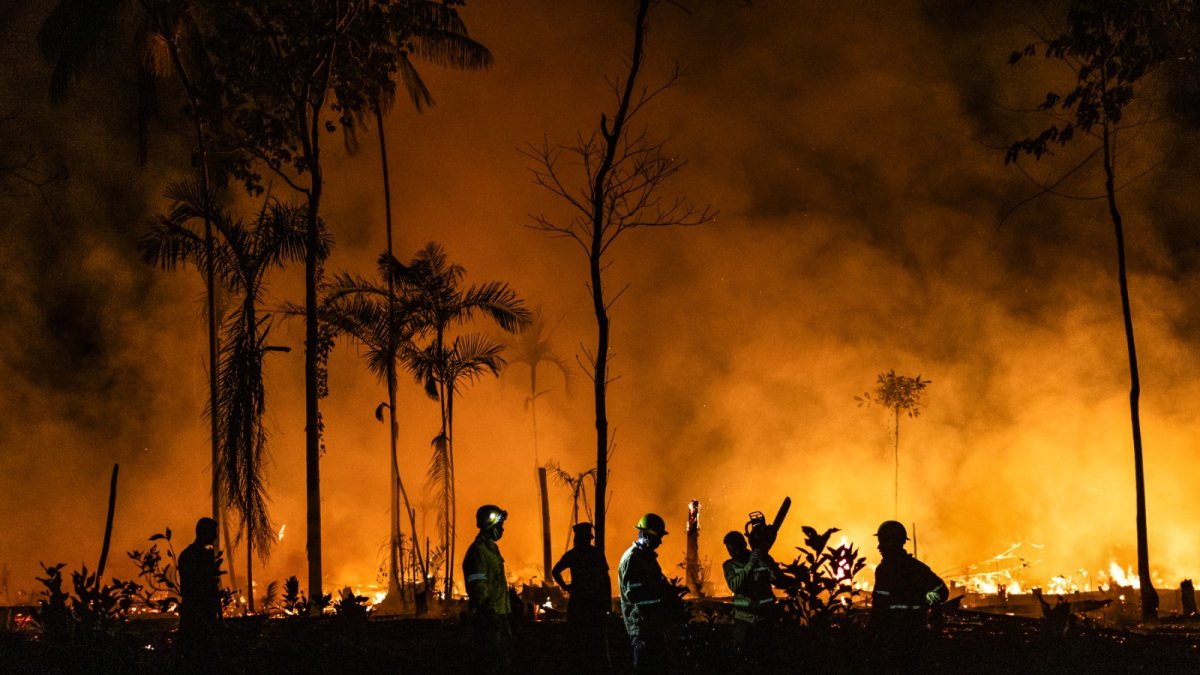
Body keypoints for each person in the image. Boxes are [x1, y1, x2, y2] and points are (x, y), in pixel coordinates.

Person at [869, 520, 948, 675]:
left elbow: (879, 608)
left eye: (882, 542)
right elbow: (942, 592)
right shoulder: (916, 568)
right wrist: (925, 601)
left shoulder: (886, 570)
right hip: (913, 637)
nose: (879, 547)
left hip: (896, 639)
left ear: (892, 542)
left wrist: (870, 635)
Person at [618, 513, 674, 674]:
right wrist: (662, 595)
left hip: (652, 625)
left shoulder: (646, 557)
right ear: (647, 535)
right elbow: (634, 595)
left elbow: (659, 581)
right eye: (658, 538)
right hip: (641, 627)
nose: (660, 542)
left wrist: (671, 590)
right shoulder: (632, 558)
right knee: (644, 669)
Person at [552, 521, 611, 673]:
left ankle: (581, 667)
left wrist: (565, 587)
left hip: (581, 602)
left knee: (579, 638)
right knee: (593, 638)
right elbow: (606, 578)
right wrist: (607, 601)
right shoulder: (596, 553)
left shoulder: (574, 554)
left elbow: (555, 571)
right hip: (593, 602)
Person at [463, 504, 513, 675]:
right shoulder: (478, 551)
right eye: (499, 525)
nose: (502, 529)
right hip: (489, 616)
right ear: (489, 525)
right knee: (490, 660)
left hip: (499, 613)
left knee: (502, 659)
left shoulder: (491, 549)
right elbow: (478, 583)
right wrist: (487, 609)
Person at [722, 530, 778, 673]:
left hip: (764, 619)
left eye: (735, 549)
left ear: (744, 545)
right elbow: (734, 585)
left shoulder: (761, 558)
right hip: (743, 621)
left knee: (767, 661)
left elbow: (779, 580)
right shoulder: (729, 565)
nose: (732, 554)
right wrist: (751, 564)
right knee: (742, 662)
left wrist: (768, 564)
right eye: (729, 550)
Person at [178, 517, 223, 663]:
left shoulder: (186, 555)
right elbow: (209, 588)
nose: (215, 537)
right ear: (205, 533)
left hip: (193, 613)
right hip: (200, 614)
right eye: (213, 532)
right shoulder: (200, 556)